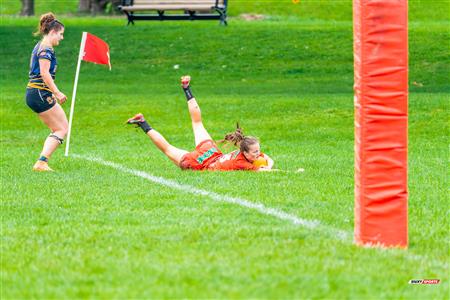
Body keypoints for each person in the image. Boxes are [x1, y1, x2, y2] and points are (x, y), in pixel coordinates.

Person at [126, 76, 274, 171]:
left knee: (197, 123)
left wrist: (264, 160)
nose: (258, 153)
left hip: (210, 151)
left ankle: (186, 88)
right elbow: (266, 171)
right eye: (255, 152)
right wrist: (268, 166)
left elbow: (266, 157)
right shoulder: (243, 163)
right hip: (200, 163)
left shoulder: (247, 151)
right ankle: (142, 123)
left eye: (257, 151)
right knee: (168, 149)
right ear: (246, 152)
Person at [26, 12, 68, 172]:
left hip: (37, 93)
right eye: (61, 34)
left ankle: (42, 161)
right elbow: (44, 73)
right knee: (61, 128)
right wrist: (57, 93)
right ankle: (41, 163)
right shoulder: (46, 49)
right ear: (52, 32)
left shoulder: (41, 46)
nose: (62, 38)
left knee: (62, 127)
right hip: (38, 93)